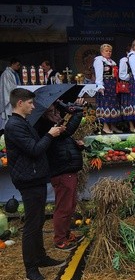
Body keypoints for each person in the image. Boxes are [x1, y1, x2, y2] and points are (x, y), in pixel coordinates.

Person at [4, 88, 66, 280]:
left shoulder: (23, 123)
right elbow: (34, 149)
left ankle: (40, 257)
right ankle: (31, 268)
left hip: (35, 177)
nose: (33, 106)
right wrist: (50, 135)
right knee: (32, 224)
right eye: (30, 103)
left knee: (38, 220)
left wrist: (53, 131)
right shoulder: (14, 125)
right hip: (28, 180)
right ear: (20, 103)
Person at [35, 98, 86, 251]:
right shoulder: (46, 129)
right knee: (64, 207)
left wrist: (77, 146)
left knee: (69, 206)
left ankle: (66, 233)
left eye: (56, 110)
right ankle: (60, 240)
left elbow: (64, 142)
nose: (56, 114)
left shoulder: (55, 127)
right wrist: (77, 111)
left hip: (67, 169)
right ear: (44, 115)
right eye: (52, 112)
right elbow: (68, 131)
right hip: (62, 171)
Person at [93, 44, 122, 134]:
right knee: (106, 105)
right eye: (106, 51)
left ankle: (113, 126)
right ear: (102, 52)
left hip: (112, 86)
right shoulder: (99, 61)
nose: (109, 52)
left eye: (110, 51)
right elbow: (99, 74)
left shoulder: (112, 62)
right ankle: (105, 127)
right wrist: (100, 85)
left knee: (113, 105)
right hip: (105, 86)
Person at [0, 58, 21, 131]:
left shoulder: (14, 73)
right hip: (9, 98)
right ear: (12, 64)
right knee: (9, 116)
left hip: (15, 97)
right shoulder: (6, 74)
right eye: (17, 65)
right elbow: (9, 87)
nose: (19, 67)